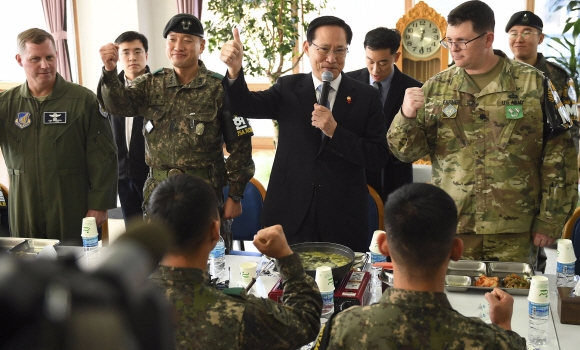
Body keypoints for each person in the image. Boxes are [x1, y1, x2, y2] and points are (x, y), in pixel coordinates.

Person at [387, 0, 578, 264]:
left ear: (488, 39)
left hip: (515, 228)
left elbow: (560, 155)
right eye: (449, 41)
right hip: (455, 224)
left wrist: (551, 218)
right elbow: (406, 152)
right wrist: (406, 116)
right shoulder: (437, 87)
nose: (453, 49)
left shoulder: (532, 83)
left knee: (514, 301)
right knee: (458, 301)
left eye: (462, 41)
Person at [220, 16, 390, 253]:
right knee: (286, 286)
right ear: (307, 48)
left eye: (340, 50)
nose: (331, 59)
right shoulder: (288, 87)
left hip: (342, 216)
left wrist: (335, 131)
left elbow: (378, 156)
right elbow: (244, 105)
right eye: (324, 49)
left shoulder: (365, 96)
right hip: (290, 214)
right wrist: (235, 70)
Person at [98, 14, 255, 252]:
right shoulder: (150, 84)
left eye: (187, 40)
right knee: (160, 263)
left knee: (209, 262)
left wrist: (235, 195)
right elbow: (118, 106)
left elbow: (240, 145)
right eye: (173, 40)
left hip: (203, 193)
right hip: (159, 194)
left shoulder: (218, 88)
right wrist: (110, 71)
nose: (178, 47)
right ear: (165, 45)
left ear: (202, 46)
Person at [315, 183, 527, 349]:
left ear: (383, 246)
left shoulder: (343, 329)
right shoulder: (488, 341)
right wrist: (503, 327)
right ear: (457, 250)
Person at [147, 174, 322, 350]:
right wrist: (285, 258)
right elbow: (306, 322)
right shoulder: (237, 314)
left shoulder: (124, 303)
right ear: (215, 231)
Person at [0, 28, 117, 246]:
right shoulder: (6, 105)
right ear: (19, 60)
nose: (45, 65)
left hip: (72, 206)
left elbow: (104, 156)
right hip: (24, 207)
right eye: (35, 58)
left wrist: (100, 204)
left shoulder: (82, 101)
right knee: (28, 270)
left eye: (50, 57)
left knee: (74, 269)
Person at [347, 28, 422, 201]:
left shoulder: (414, 89)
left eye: (383, 63)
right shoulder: (348, 83)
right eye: (370, 60)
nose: (375, 69)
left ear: (396, 57)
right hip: (356, 174)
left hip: (396, 177)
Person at [506, 10, 579, 153]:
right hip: (505, 162)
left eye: (527, 32)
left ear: (540, 38)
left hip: (547, 160)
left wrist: (568, 170)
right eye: (513, 33)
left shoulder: (559, 76)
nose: (519, 39)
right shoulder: (498, 74)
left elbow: (572, 127)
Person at [110, 31, 151, 223]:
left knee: (159, 230)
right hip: (122, 174)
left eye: (137, 51)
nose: (132, 57)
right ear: (118, 57)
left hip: (152, 173)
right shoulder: (110, 89)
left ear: (146, 55)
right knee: (133, 230)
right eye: (125, 52)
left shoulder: (158, 86)